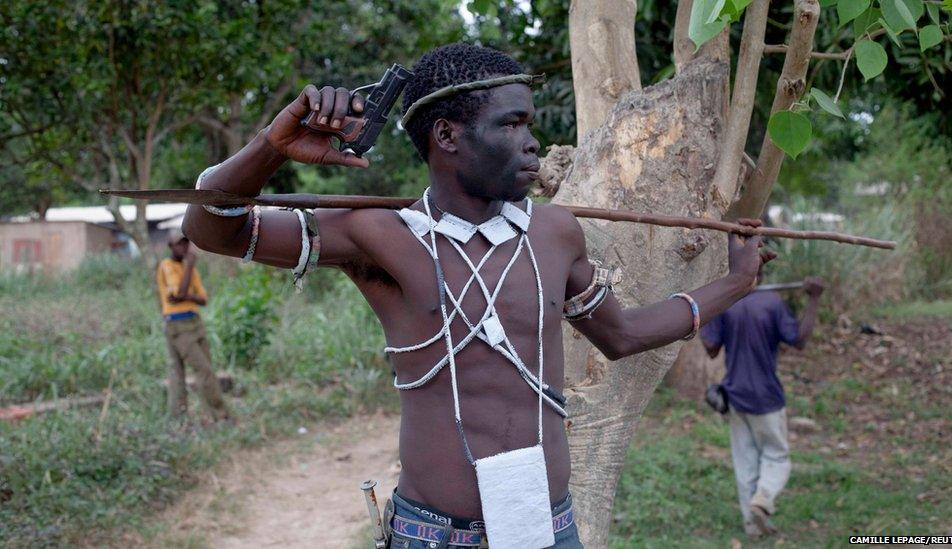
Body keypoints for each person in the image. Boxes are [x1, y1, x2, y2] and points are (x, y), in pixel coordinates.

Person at [183, 43, 774, 548]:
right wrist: (275, 145)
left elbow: (621, 335)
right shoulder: (376, 235)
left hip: (547, 526)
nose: (532, 144)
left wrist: (735, 282)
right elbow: (214, 228)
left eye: (530, 125)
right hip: (432, 535)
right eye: (512, 124)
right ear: (447, 135)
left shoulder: (554, 232)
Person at [701, 273, 825, 538]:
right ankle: (764, 498)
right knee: (777, 457)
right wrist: (814, 300)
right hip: (767, 398)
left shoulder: (726, 305)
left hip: (735, 396)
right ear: (763, 270)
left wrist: (703, 308)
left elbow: (711, 347)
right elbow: (799, 340)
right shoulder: (771, 303)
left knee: (745, 461)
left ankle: (751, 526)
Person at [156, 232, 231, 423]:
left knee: (201, 370)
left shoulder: (191, 270)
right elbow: (179, 292)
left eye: (186, 244)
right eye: (179, 245)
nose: (184, 248)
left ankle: (189, 416)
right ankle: (219, 416)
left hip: (195, 322)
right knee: (202, 370)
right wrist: (189, 268)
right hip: (177, 324)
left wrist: (185, 296)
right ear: (170, 247)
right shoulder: (168, 266)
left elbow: (202, 299)